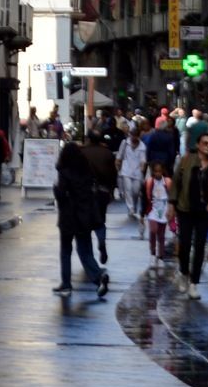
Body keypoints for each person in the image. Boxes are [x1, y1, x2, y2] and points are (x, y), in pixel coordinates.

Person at [53, 141, 109, 299]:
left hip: (68, 218)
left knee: (65, 251)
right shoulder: (87, 170)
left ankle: (66, 283)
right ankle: (98, 277)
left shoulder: (64, 172)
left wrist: (56, 190)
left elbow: (61, 194)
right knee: (84, 251)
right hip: (84, 216)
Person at [171, 128, 208, 296]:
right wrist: (171, 204)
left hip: (204, 211)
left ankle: (194, 283)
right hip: (185, 208)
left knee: (199, 247)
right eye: (205, 143)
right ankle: (183, 272)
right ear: (198, 145)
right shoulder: (186, 160)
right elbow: (176, 182)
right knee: (184, 244)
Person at [83, 125, 118, 262]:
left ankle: (88, 254)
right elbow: (113, 174)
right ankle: (101, 242)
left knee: (85, 223)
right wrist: (111, 190)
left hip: (85, 191)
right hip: (102, 191)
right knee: (100, 220)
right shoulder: (107, 153)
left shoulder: (83, 152)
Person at [118, 123, 147, 233]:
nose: (134, 138)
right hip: (126, 170)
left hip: (137, 172)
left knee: (135, 190)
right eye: (132, 135)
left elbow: (143, 161)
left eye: (136, 136)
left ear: (138, 136)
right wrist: (118, 166)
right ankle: (130, 208)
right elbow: (120, 156)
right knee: (128, 189)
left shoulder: (142, 146)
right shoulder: (125, 143)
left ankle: (133, 205)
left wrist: (142, 170)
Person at [145, 159, 171, 270]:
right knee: (153, 231)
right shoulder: (149, 182)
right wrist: (142, 214)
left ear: (163, 171)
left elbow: (172, 197)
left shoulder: (168, 182)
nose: (157, 174)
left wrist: (172, 211)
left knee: (161, 235)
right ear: (152, 172)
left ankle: (160, 256)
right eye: (155, 171)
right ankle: (152, 253)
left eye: (159, 171)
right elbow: (144, 199)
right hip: (153, 210)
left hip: (164, 210)